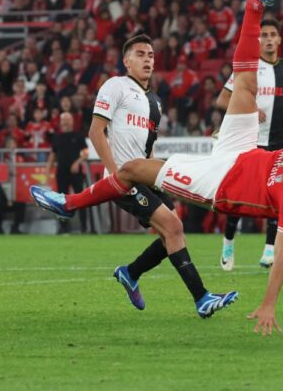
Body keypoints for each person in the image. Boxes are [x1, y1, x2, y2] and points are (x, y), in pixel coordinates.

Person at [31, 0, 283, 334]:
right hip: (242, 151)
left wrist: (268, 304)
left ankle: (70, 205)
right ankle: (254, 4)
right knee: (245, 85)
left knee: (136, 177)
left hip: (218, 183)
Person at [85, 33, 237, 318]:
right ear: (126, 61)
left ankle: (130, 273)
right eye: (140, 54)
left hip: (145, 174)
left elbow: (149, 146)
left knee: (173, 229)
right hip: (123, 178)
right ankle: (202, 298)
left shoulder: (153, 101)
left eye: (151, 55)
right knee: (173, 227)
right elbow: (96, 131)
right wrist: (116, 176)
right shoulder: (115, 86)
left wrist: (160, 177)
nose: (147, 59)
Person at [216, 18, 283, 270]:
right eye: (263, 35)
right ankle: (229, 241)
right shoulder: (247, 69)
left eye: (273, 34)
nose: (268, 39)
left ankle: (269, 249)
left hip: (279, 140)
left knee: (277, 194)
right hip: (249, 140)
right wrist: (251, 108)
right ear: (258, 40)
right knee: (240, 195)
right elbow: (222, 100)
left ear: (279, 39)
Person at [46, 111, 90, 234]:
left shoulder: (79, 135)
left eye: (67, 119)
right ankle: (64, 227)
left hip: (76, 173)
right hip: (61, 173)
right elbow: (52, 156)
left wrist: (77, 162)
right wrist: (47, 172)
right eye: (63, 120)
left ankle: (84, 227)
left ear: (72, 121)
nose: (65, 122)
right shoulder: (56, 137)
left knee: (81, 200)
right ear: (60, 122)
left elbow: (86, 153)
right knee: (61, 201)